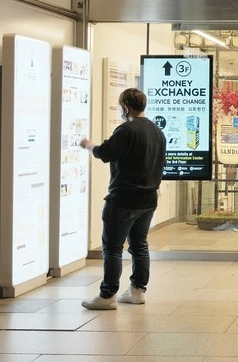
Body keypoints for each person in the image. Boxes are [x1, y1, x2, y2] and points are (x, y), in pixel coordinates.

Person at [79, 88, 166, 310]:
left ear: (126, 107)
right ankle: (137, 291)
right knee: (139, 245)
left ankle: (107, 295)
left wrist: (89, 146)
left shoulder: (126, 129)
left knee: (112, 248)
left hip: (123, 198)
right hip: (148, 199)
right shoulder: (157, 131)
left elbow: (106, 153)